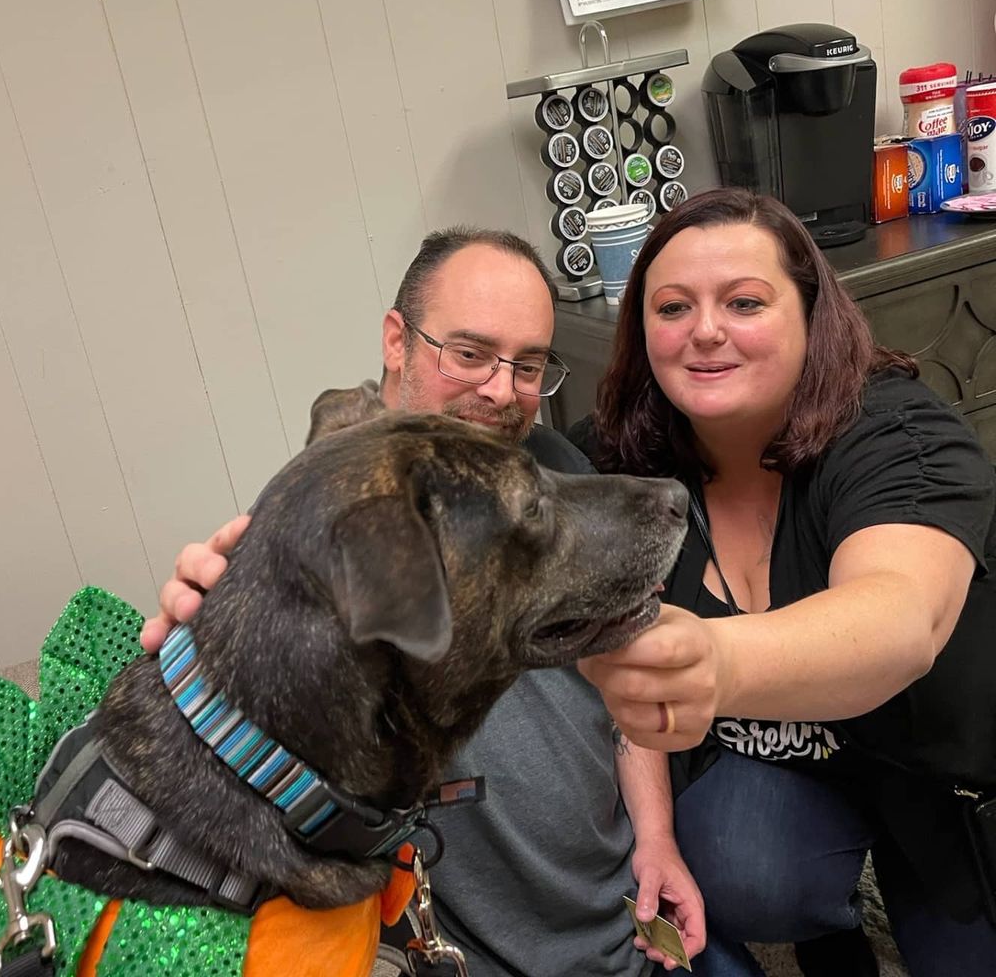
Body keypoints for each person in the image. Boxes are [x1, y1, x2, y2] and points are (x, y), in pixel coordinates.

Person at [143, 226, 707, 976]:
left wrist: (657, 838)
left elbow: (626, 667)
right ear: (395, 341)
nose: (502, 391)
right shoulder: (340, 543)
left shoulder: (553, 464)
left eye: (529, 364)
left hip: (625, 921)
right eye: (469, 354)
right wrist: (205, 626)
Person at [567, 187, 996, 977]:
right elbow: (627, 674)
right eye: (671, 308)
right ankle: (828, 935)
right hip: (789, 757)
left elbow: (898, 622)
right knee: (743, 866)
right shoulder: (619, 459)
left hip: (939, 767)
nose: (704, 331)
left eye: (744, 302)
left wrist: (706, 659)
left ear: (811, 316)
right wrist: (654, 837)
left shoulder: (898, 434)